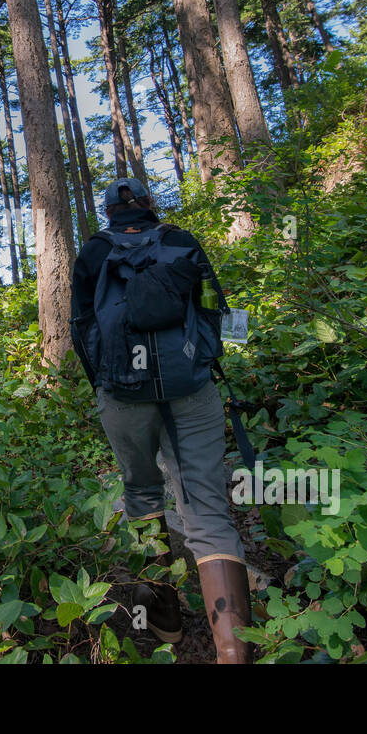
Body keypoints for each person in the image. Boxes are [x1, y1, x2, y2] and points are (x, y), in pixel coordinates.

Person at [69, 178, 252, 663]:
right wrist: (215, 361)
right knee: (208, 511)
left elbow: (80, 326)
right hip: (191, 388)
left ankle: (166, 622)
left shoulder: (92, 252)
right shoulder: (180, 240)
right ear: (150, 206)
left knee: (142, 493)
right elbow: (215, 305)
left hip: (123, 395)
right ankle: (235, 653)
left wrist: (104, 384)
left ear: (108, 212)